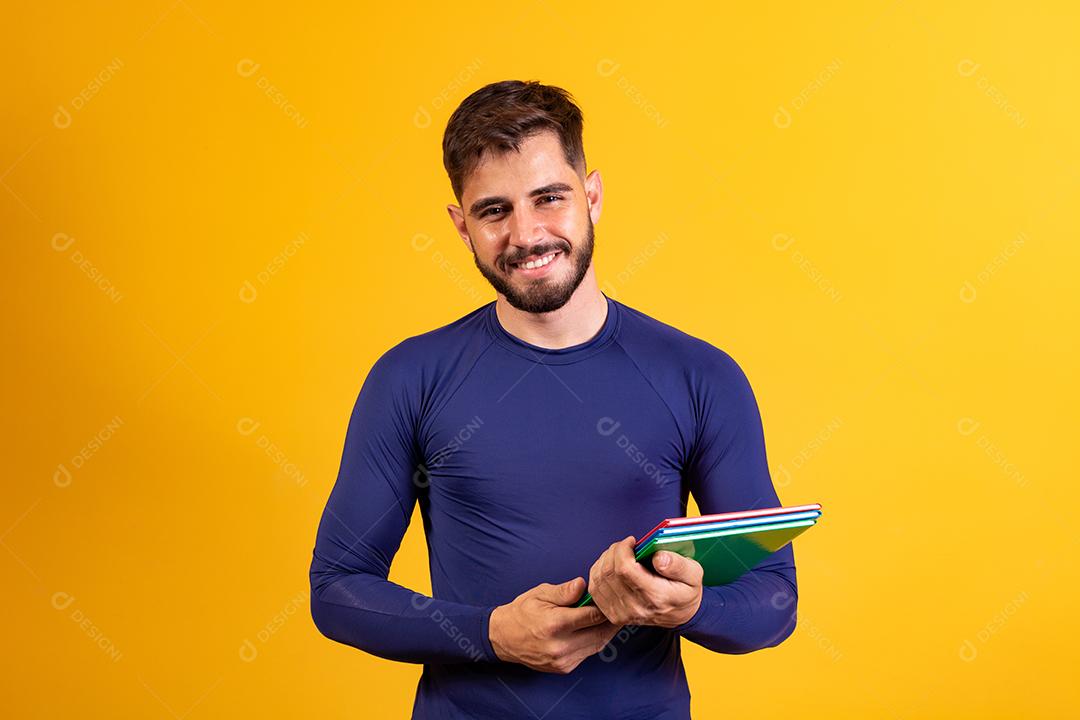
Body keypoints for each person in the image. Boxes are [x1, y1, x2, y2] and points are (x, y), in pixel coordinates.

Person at [309, 79, 798, 719]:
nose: (526, 233)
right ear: (461, 226)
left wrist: (692, 606)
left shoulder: (700, 376)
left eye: (549, 198)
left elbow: (774, 602)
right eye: (494, 211)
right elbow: (337, 590)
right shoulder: (410, 378)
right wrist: (489, 633)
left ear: (591, 195)